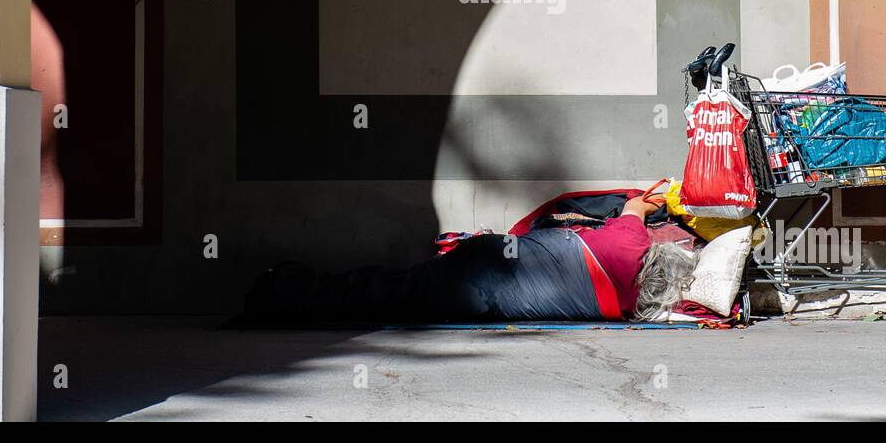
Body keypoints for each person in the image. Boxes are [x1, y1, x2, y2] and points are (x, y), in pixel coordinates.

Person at [237, 189, 696, 325]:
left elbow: (637, 207)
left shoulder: (628, 244)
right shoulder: (627, 308)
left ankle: (282, 290)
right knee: (383, 295)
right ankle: (289, 293)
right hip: (479, 297)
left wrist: (651, 200)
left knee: (376, 290)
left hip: (482, 267)